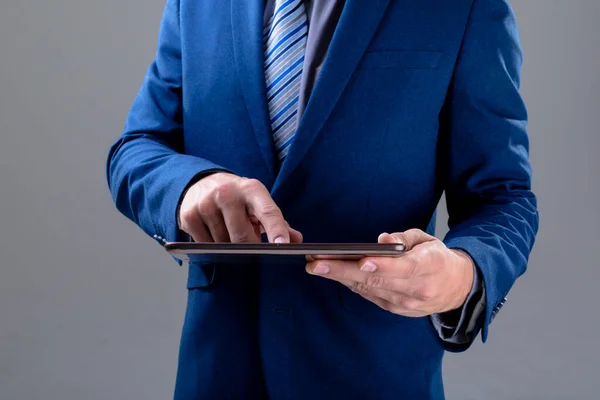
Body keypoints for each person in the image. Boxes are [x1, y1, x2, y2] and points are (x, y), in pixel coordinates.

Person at [106, 0, 539, 398]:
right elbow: (137, 147)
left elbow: (504, 196)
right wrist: (189, 186)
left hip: (374, 377)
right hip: (219, 374)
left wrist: (462, 276)